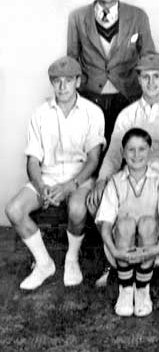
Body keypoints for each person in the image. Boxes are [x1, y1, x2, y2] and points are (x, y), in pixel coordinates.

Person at [87, 52, 159, 289]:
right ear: (138, 79)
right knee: (96, 202)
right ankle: (114, 258)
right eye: (145, 77)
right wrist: (101, 181)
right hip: (135, 171)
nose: (151, 82)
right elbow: (116, 152)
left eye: (156, 76)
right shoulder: (128, 114)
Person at [5, 56, 105, 290]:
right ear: (52, 83)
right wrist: (42, 188)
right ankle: (44, 263)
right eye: (57, 81)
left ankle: (71, 258)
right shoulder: (40, 113)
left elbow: (93, 159)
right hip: (47, 178)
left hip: (80, 177)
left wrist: (70, 186)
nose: (62, 87)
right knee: (14, 209)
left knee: (78, 208)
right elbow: (32, 161)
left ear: (78, 82)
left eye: (68, 81)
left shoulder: (93, 112)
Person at [67, 0, 156, 141]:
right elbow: (72, 59)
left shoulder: (138, 16)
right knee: (93, 147)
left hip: (128, 93)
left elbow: (149, 57)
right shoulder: (77, 17)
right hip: (90, 94)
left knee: (125, 146)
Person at [96, 127, 159, 317]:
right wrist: (113, 250)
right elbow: (105, 223)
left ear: (150, 151)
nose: (136, 155)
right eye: (131, 149)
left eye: (142, 149)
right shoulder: (114, 182)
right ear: (123, 153)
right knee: (125, 223)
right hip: (120, 250)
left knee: (148, 222)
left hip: (153, 249)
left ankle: (142, 289)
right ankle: (126, 289)